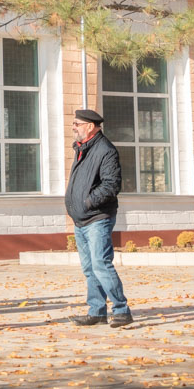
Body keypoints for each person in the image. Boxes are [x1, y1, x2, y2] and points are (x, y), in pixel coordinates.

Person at [65, 108, 132, 327]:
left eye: (77, 124)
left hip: (97, 217)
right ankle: (97, 311)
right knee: (89, 269)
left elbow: (111, 185)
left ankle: (121, 310)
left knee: (101, 265)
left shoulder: (105, 150)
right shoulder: (82, 149)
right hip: (81, 220)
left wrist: (88, 202)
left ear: (90, 126)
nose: (73, 127)